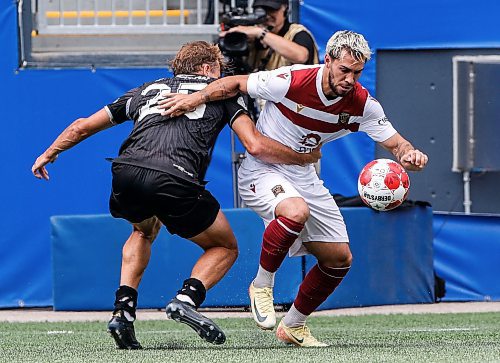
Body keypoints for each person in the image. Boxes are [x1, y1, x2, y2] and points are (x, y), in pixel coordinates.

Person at [31, 41, 321, 350]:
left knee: (142, 229)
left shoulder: (146, 90)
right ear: (208, 68)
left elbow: (81, 127)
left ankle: (123, 311)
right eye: (219, 69)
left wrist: (49, 153)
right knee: (225, 247)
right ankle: (187, 299)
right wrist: (303, 158)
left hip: (126, 172)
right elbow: (255, 145)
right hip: (174, 177)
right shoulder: (223, 90)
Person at [158, 30, 429, 347]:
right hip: (262, 169)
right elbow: (234, 83)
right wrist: (195, 97)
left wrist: (409, 153)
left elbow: (396, 143)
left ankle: (294, 325)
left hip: (304, 175)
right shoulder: (291, 79)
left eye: (357, 72)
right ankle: (262, 285)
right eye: (344, 70)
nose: (349, 78)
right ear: (327, 61)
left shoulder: (362, 104)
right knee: (295, 211)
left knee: (339, 258)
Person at [220, 0, 319, 72]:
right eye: (261, 9)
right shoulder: (252, 35)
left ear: (285, 9)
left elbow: (301, 56)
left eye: (271, 9)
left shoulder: (297, 32)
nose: (266, 15)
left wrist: (261, 33)